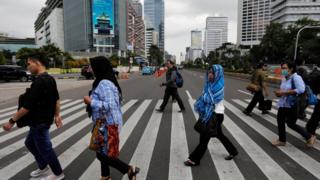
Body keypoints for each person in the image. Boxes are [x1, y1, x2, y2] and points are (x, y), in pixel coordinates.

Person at [2, 49, 64, 180]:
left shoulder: (40, 81)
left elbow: (27, 107)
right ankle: (43, 167)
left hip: (39, 122)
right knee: (30, 143)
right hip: (39, 121)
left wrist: (11, 121)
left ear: (37, 63)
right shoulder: (50, 79)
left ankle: (58, 173)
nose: (28, 67)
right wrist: (57, 116)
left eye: (29, 63)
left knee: (45, 148)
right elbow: (56, 99)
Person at [83, 56, 139, 180]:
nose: (89, 68)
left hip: (108, 124)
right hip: (104, 122)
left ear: (99, 67)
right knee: (103, 150)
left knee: (101, 154)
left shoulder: (104, 83)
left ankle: (128, 169)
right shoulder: (102, 81)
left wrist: (90, 101)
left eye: (91, 66)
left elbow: (110, 105)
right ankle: (105, 176)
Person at [184, 65, 238, 167]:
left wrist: (203, 98)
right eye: (209, 72)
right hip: (209, 114)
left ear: (218, 74)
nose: (210, 74)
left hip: (215, 115)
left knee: (204, 139)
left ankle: (194, 159)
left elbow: (211, 100)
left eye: (213, 73)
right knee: (219, 135)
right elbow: (205, 97)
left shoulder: (219, 85)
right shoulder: (208, 84)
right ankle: (233, 151)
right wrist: (203, 100)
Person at [272, 61, 316, 147]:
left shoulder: (296, 77)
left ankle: (310, 136)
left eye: (284, 68)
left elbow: (301, 90)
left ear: (291, 69)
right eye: (282, 68)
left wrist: (283, 93)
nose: (282, 70)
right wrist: (279, 93)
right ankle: (282, 140)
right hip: (284, 104)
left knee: (291, 124)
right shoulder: (284, 78)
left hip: (293, 104)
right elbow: (284, 90)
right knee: (280, 121)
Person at [306, 65, 320, 138]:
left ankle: (310, 128)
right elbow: (314, 86)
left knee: (316, 115)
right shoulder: (318, 76)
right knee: (316, 115)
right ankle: (310, 130)